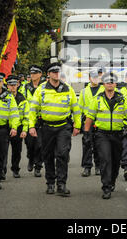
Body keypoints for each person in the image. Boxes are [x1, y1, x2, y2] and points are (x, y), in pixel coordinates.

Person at [28, 62, 81, 197]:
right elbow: (33, 109)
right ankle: (50, 183)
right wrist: (31, 126)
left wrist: (77, 125)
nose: (57, 74)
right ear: (49, 74)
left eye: (58, 72)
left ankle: (61, 184)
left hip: (63, 127)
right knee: (48, 155)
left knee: (62, 154)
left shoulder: (67, 89)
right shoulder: (41, 89)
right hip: (46, 128)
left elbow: (76, 109)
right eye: (54, 72)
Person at [79, 72, 127, 199]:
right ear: (103, 84)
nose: (110, 84)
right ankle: (106, 186)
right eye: (107, 82)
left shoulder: (122, 98)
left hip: (117, 134)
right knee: (105, 159)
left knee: (115, 161)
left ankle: (112, 180)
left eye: (112, 82)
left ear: (115, 84)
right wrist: (86, 133)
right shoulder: (97, 99)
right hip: (101, 135)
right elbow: (90, 117)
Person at [2, 75, 29, 178]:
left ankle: (15, 169)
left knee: (17, 150)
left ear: (18, 84)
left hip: (18, 127)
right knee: (3, 150)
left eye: (14, 84)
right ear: (7, 85)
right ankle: (2, 170)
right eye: (10, 85)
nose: (12, 87)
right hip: (5, 127)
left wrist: (25, 130)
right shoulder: (3, 97)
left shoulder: (23, 98)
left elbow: (26, 116)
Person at [78, 70, 104, 177]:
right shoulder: (84, 91)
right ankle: (87, 167)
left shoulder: (104, 89)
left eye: (97, 77)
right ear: (89, 78)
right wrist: (77, 123)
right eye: (93, 77)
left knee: (99, 144)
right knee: (87, 143)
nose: (95, 79)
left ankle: (98, 166)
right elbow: (79, 108)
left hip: (100, 121)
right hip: (87, 121)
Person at [24, 65, 46, 177]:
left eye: (35, 73)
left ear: (40, 74)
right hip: (29, 119)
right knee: (30, 143)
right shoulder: (25, 87)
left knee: (40, 144)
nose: (32, 75)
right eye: (31, 73)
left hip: (41, 120)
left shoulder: (45, 87)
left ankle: (38, 166)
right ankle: (30, 158)